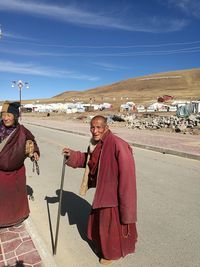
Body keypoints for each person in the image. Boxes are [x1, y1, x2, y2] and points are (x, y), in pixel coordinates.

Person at [63, 115, 137, 265]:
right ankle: (103, 247)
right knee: (99, 224)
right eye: (92, 127)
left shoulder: (118, 144)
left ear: (106, 128)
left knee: (111, 228)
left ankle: (111, 254)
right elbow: (90, 161)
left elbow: (128, 176)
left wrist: (126, 202)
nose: (95, 131)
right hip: (102, 191)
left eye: (98, 127)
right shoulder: (96, 144)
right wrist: (72, 155)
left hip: (113, 194)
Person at [0, 101, 40, 227]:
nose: (5, 118)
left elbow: (32, 142)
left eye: (9, 115)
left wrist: (35, 152)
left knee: (16, 198)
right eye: (3, 115)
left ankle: (17, 219)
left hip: (17, 172)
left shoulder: (22, 131)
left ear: (15, 117)